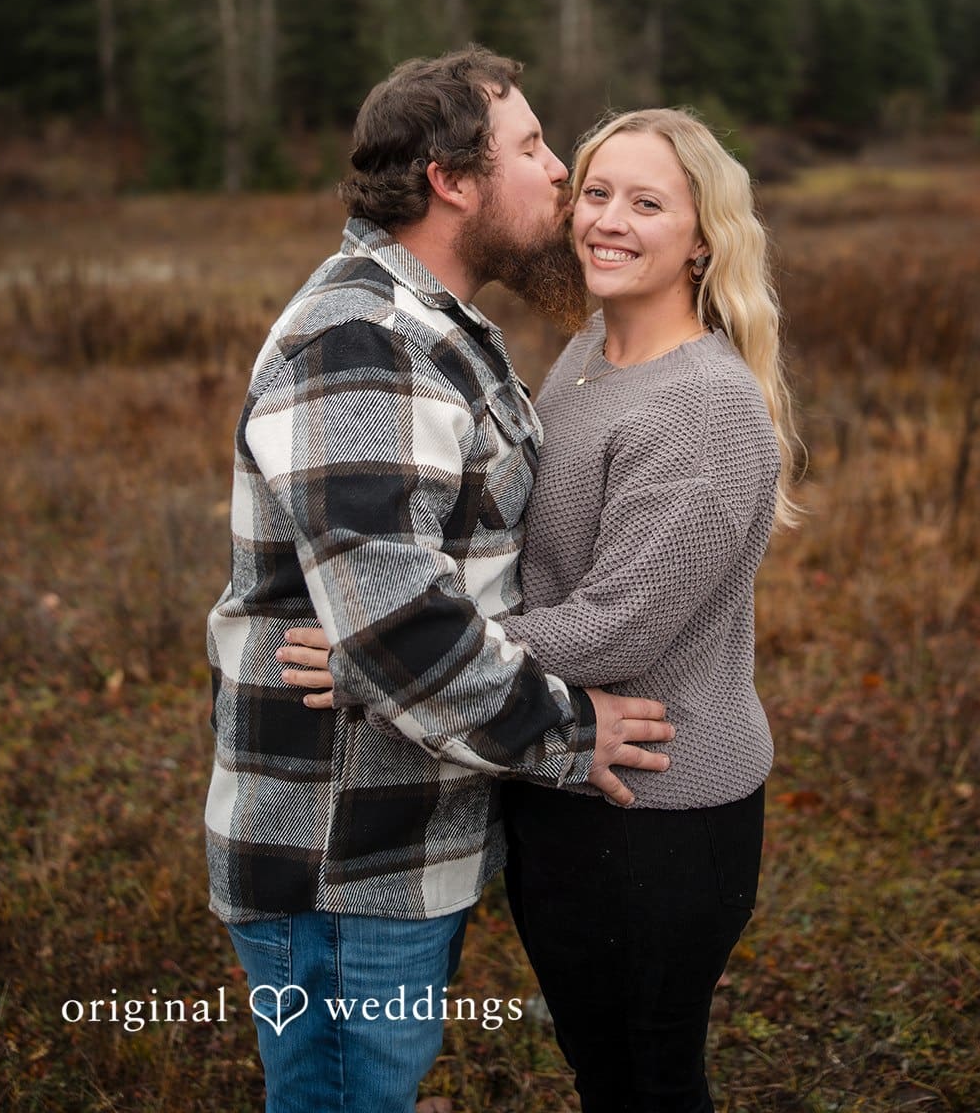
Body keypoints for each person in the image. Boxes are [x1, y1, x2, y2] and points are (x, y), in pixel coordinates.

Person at [282, 104, 801, 1112]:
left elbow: (617, 626)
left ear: (701, 238)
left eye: (646, 202)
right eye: (594, 192)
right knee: (603, 1069)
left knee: (646, 1079)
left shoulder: (701, 404)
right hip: (565, 777)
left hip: (656, 805)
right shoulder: (586, 357)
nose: (606, 218)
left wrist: (389, 658)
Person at [205, 48, 675, 1113]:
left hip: (402, 832)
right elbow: (401, 631)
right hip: (340, 855)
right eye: (530, 148)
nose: (561, 171)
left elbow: (424, 603)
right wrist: (570, 732)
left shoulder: (439, 331)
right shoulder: (362, 343)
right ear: (449, 180)